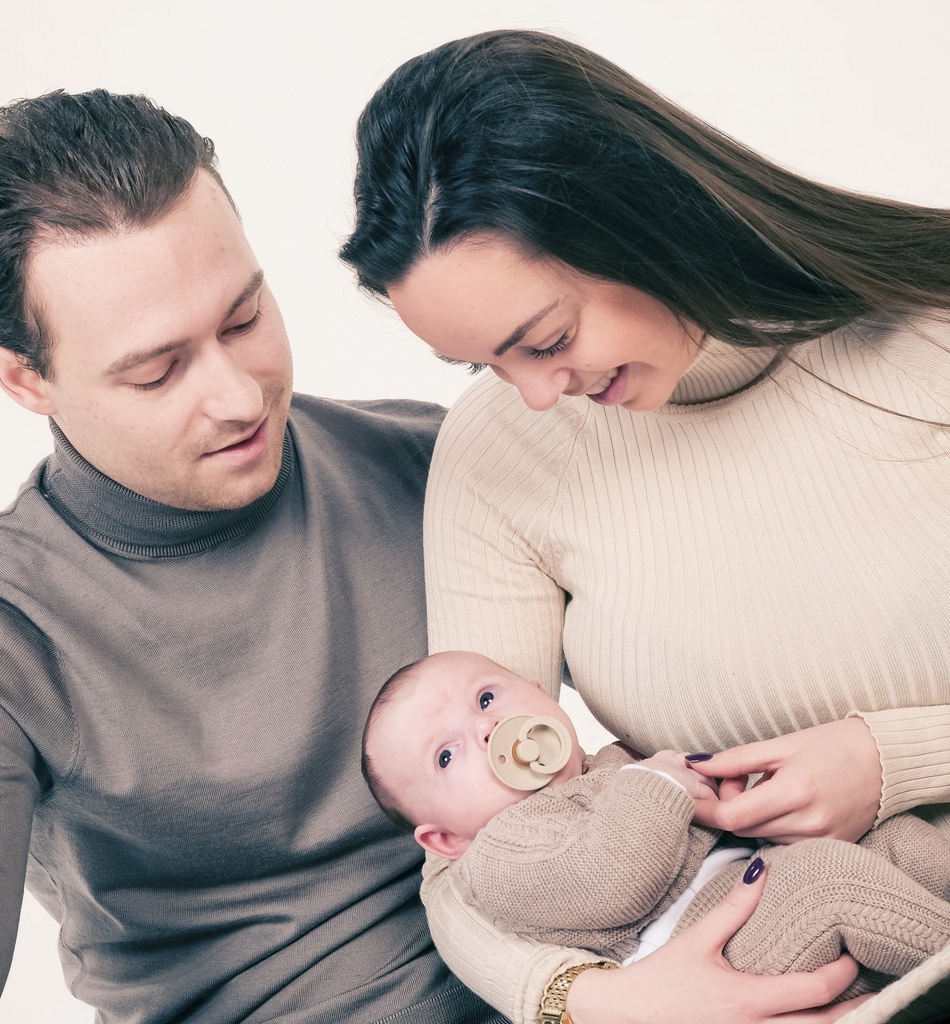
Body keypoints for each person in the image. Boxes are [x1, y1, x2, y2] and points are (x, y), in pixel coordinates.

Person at [339, 27, 950, 1024]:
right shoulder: (501, 458)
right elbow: (471, 855)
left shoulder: (927, 327)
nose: (536, 396)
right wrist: (591, 1002)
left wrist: (900, 759)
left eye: (545, 340)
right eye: (484, 365)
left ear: (630, 216)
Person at [0, 89, 507, 1024]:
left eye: (243, 320)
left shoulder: (436, 463)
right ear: (22, 377)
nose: (239, 398)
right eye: (158, 370)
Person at [362, 650, 950, 998]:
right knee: (827, 883)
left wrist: (736, 794)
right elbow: (610, 879)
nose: (488, 732)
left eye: (487, 699)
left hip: (755, 886)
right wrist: (663, 784)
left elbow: (699, 823)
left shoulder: (613, 764)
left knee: (895, 839)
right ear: (445, 841)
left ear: (542, 696)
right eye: (446, 755)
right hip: (702, 951)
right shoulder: (498, 853)